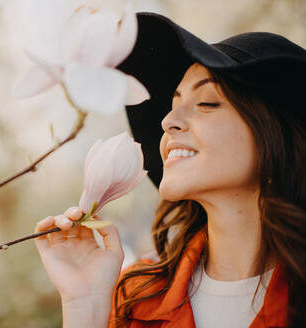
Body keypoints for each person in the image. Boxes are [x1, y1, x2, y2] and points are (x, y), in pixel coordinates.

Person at [34, 12, 306, 328]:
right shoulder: (134, 297)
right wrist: (85, 305)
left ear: (273, 135)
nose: (167, 121)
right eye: (173, 104)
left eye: (207, 103)